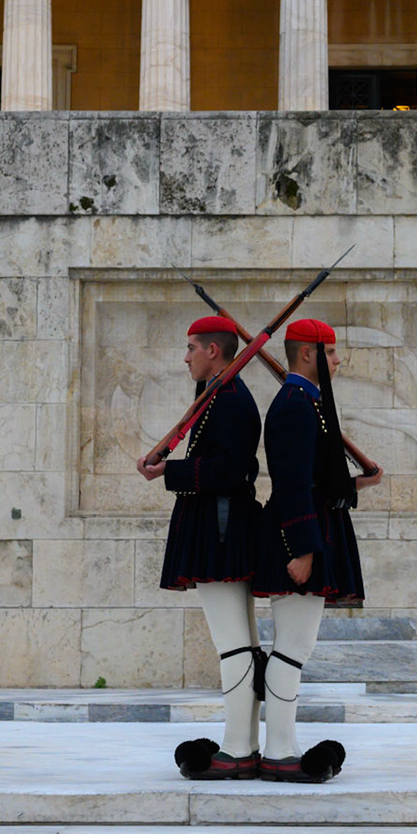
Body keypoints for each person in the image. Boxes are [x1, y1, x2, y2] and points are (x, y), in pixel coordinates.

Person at [251, 317, 379, 783]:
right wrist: (303, 549)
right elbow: (290, 483)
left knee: (295, 645)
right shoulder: (294, 405)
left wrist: (358, 481)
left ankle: (282, 744)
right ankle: (279, 749)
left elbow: (319, 475)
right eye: (330, 352)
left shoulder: (307, 402)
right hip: (298, 536)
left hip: (310, 529)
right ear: (308, 354)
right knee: (292, 646)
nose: (338, 360)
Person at [138, 315, 264, 780]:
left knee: (233, 645)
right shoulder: (218, 394)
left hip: (221, 528)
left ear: (214, 350)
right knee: (239, 644)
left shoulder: (230, 399)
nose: (185, 355)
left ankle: (235, 749)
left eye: (192, 347)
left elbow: (227, 471)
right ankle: (244, 744)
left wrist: (167, 472)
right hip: (218, 524)